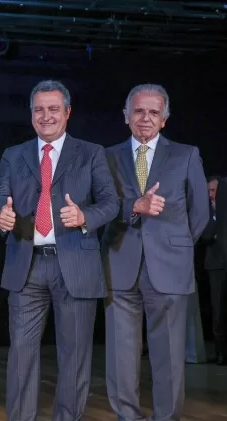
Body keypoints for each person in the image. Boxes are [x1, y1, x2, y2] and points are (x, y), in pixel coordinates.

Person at [0, 80, 119, 421]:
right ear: (31, 114)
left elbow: (111, 203)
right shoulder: (13, 154)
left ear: (67, 113)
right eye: (38, 110)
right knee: (21, 355)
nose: (45, 116)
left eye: (53, 109)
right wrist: (0, 213)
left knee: (75, 357)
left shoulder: (91, 152)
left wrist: (83, 215)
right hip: (27, 264)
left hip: (75, 265)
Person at [102, 83, 208, 420]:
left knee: (169, 358)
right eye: (138, 111)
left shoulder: (186, 154)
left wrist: (173, 246)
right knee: (120, 359)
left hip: (170, 268)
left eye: (153, 112)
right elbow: (101, 208)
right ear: (126, 116)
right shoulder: (105, 157)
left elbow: (200, 213)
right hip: (119, 266)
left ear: (164, 119)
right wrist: (134, 207)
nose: (145, 118)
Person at [205, 176, 226, 364]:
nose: (212, 195)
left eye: (214, 191)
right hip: (215, 265)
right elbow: (204, 235)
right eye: (209, 192)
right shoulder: (206, 212)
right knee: (217, 310)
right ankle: (220, 352)